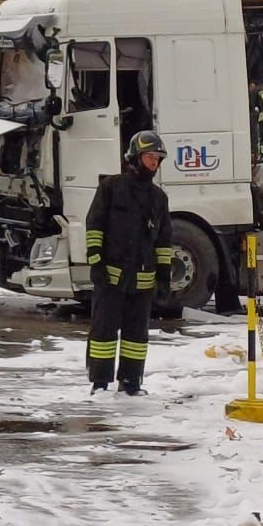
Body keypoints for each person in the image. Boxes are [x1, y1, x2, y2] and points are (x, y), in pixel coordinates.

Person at [84, 129, 173, 395]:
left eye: (158, 159)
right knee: (103, 333)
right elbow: (94, 225)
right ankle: (100, 383)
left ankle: (131, 382)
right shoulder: (111, 187)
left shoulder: (159, 198)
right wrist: (96, 261)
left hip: (142, 281)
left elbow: (164, 239)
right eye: (150, 157)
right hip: (110, 276)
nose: (155, 163)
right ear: (135, 157)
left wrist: (164, 275)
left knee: (137, 337)